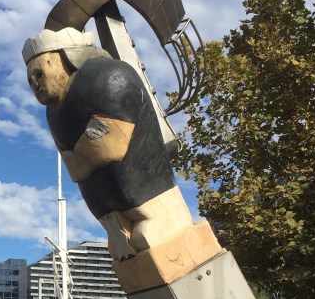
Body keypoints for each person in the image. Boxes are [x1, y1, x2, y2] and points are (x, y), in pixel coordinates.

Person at [23, 27, 193, 261]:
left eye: (39, 74)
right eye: (31, 81)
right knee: (126, 250)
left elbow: (109, 144)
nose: (35, 85)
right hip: (111, 215)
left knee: (150, 237)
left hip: (152, 200)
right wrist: (84, 154)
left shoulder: (106, 76)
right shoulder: (54, 114)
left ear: (61, 59)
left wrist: (83, 155)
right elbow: (75, 165)